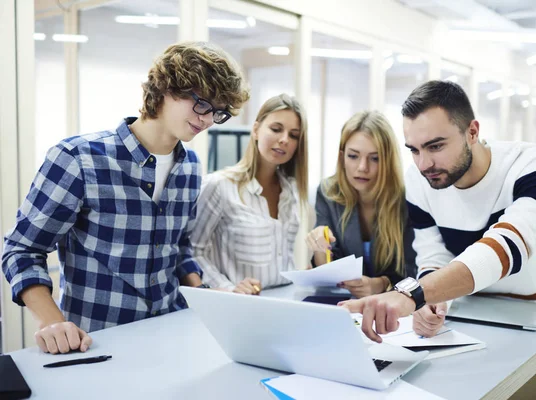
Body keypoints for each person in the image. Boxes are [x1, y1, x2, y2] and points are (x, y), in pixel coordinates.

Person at [2, 41, 250, 354]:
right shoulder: (79, 159)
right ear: (165, 88)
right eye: (202, 104)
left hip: (172, 336)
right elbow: (22, 249)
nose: (208, 119)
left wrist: (207, 297)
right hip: (97, 345)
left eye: (218, 112)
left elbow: (178, 246)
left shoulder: (190, 166)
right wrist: (53, 322)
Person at [341, 80, 536, 341]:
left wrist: (413, 294)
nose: (424, 164)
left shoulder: (534, 164)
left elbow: (509, 245)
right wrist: (431, 303)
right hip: (465, 314)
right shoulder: (418, 180)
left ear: (472, 132)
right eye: (414, 150)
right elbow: (434, 253)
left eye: (436, 146)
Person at [191, 94, 308, 294]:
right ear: (256, 130)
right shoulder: (220, 186)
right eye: (276, 129)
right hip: (239, 307)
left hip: (287, 302)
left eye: (294, 135)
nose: (284, 140)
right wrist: (229, 289)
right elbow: (192, 252)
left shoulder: (291, 190)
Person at [306, 110, 415, 298]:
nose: (362, 167)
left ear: (387, 161)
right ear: (342, 157)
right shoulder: (327, 193)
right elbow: (327, 271)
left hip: (395, 306)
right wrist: (320, 249)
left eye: (375, 158)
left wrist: (380, 284)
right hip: (345, 304)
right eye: (353, 156)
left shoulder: (407, 200)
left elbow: (415, 269)